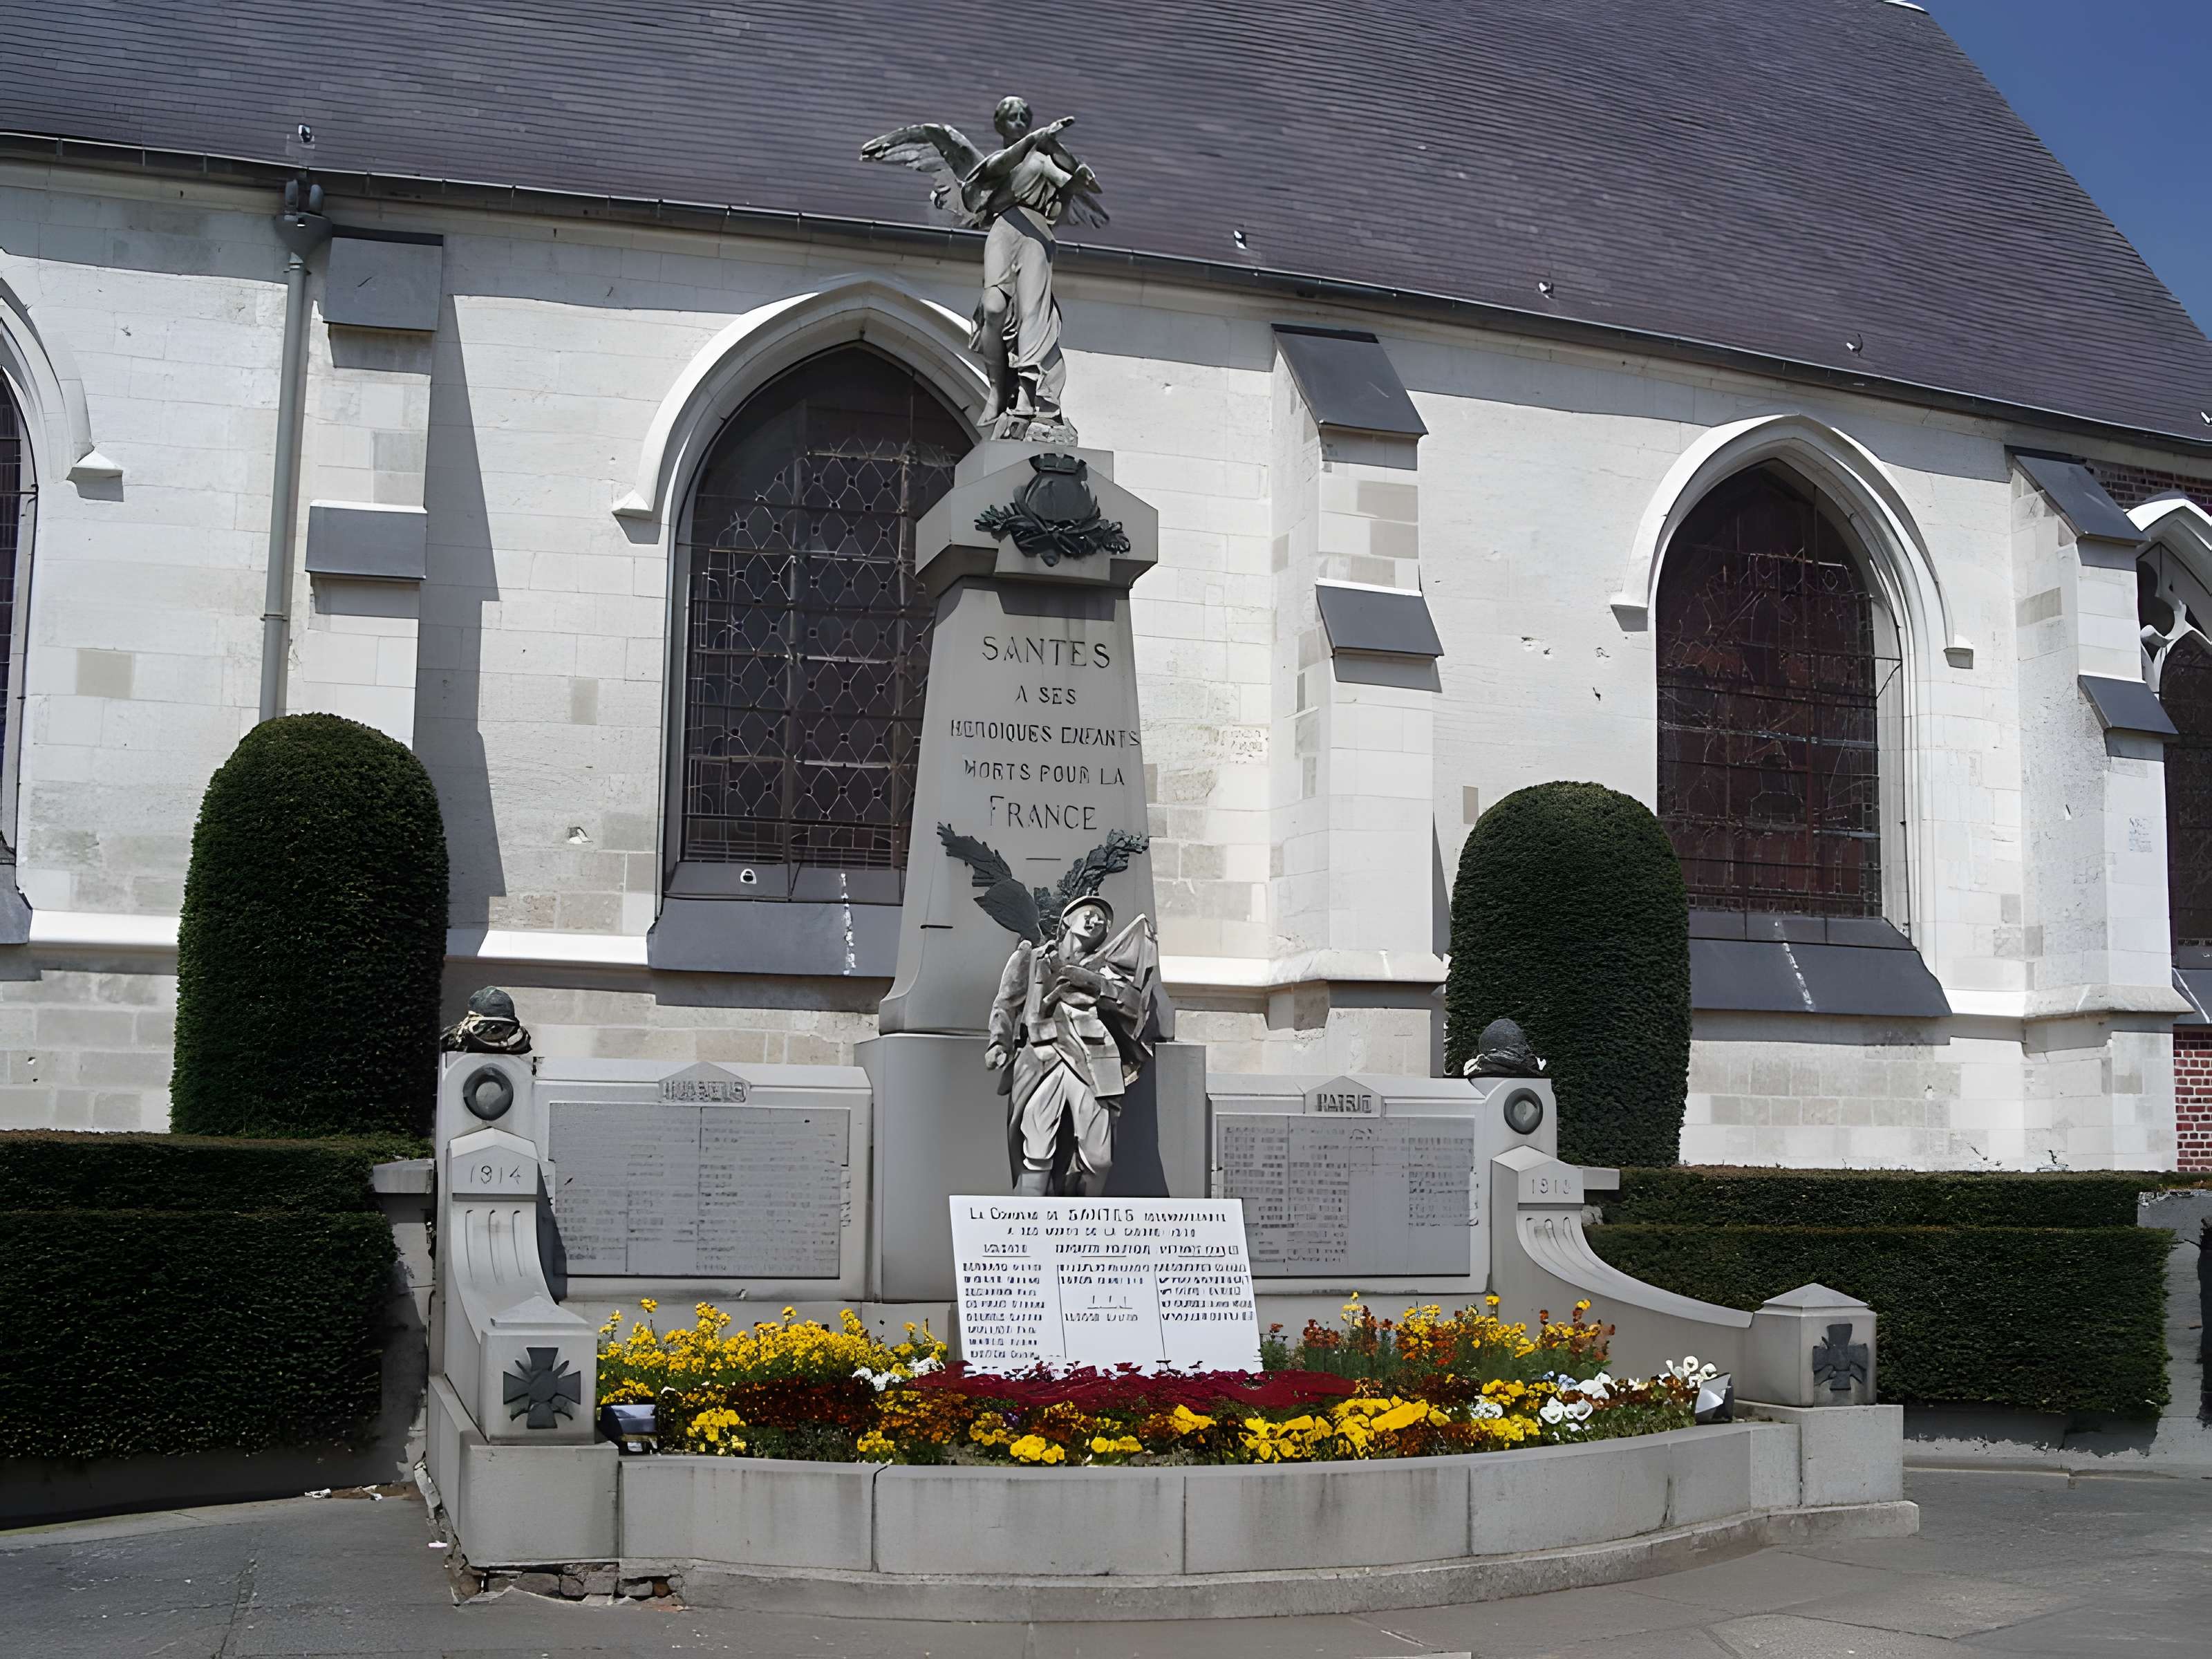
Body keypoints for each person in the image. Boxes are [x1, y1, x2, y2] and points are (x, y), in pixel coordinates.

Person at [985, 894, 1155, 1196]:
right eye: (1088, 913)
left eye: (1101, 921)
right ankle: (1029, 1220)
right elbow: (1005, 1004)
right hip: (1044, 1057)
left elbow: (1132, 1007)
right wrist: (998, 1042)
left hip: (1095, 1061)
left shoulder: (1107, 970)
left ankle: (1084, 1220)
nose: (1095, 921)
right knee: (1036, 1153)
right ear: (1066, 921)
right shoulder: (1032, 957)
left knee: (1100, 1160)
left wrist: (1097, 985)